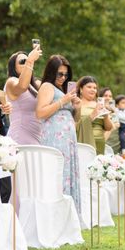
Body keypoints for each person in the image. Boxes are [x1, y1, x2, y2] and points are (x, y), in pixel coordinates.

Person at [36, 55, 81, 214]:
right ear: (51, 72)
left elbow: (74, 118)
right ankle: (58, 214)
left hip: (68, 138)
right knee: (59, 173)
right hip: (55, 137)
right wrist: (63, 101)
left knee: (69, 172)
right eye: (59, 74)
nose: (63, 78)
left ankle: (70, 214)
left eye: (66, 75)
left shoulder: (61, 90)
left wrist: (76, 106)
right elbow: (40, 113)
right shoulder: (47, 86)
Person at [5, 48, 43, 145]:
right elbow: (22, 86)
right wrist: (30, 61)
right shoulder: (11, 81)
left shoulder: (33, 86)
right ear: (13, 67)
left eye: (28, 60)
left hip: (36, 137)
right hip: (20, 136)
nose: (26, 63)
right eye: (23, 61)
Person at [75, 76, 113, 155]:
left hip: (99, 143)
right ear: (81, 89)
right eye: (89, 87)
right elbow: (73, 126)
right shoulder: (76, 104)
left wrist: (105, 116)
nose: (93, 90)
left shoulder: (99, 105)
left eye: (95, 88)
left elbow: (109, 128)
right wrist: (93, 115)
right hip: (83, 143)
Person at [100, 87, 121, 154]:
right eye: (105, 95)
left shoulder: (114, 112)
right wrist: (112, 127)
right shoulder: (99, 112)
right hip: (105, 149)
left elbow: (117, 129)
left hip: (117, 148)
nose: (108, 98)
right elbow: (102, 138)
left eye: (110, 96)